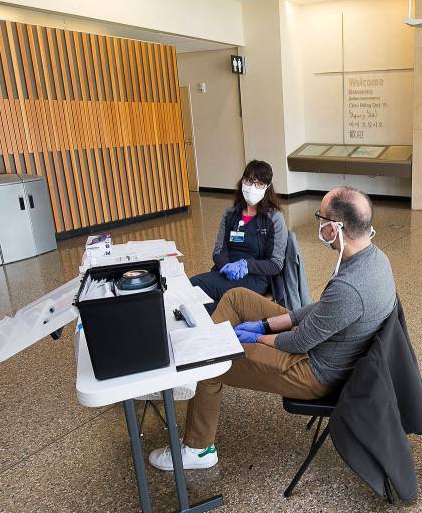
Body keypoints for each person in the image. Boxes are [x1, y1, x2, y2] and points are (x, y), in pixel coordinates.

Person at [150, 186, 397, 470]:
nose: (320, 224)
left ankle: (198, 448)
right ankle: (206, 367)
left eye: (321, 218)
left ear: (334, 229)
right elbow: (321, 308)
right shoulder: (374, 258)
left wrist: (258, 337)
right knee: (236, 297)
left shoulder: (350, 287)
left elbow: (297, 343)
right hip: (323, 344)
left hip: (313, 370)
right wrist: (266, 323)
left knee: (212, 361)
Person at [190, 160, 287, 313]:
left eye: (259, 184)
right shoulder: (230, 214)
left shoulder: (274, 218)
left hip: (255, 277)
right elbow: (218, 251)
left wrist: (246, 265)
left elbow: (275, 264)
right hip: (225, 272)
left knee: (195, 285)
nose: (253, 187)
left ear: (267, 188)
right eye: (249, 181)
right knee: (201, 297)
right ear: (242, 182)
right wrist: (226, 267)